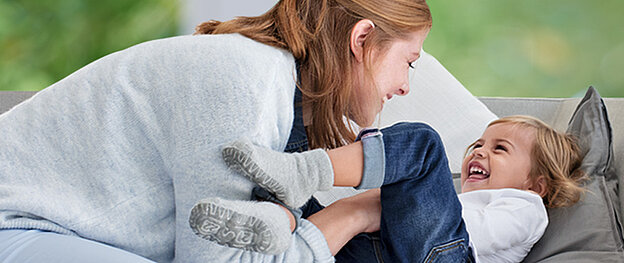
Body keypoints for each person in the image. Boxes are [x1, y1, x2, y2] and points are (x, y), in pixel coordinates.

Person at [0, 0, 431, 262]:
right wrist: (355, 214)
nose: (405, 87)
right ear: (362, 39)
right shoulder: (243, 80)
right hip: (18, 225)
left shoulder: (273, 87)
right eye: (408, 62)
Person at [191, 115, 587, 262]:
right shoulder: (456, 197)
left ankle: (302, 171)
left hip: (449, 256)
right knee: (302, 203)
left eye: (500, 149)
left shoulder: (526, 206)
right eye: (478, 144)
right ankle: (277, 223)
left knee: (424, 145)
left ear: (537, 183)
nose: (479, 152)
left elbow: (474, 233)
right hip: (385, 253)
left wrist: (407, 198)